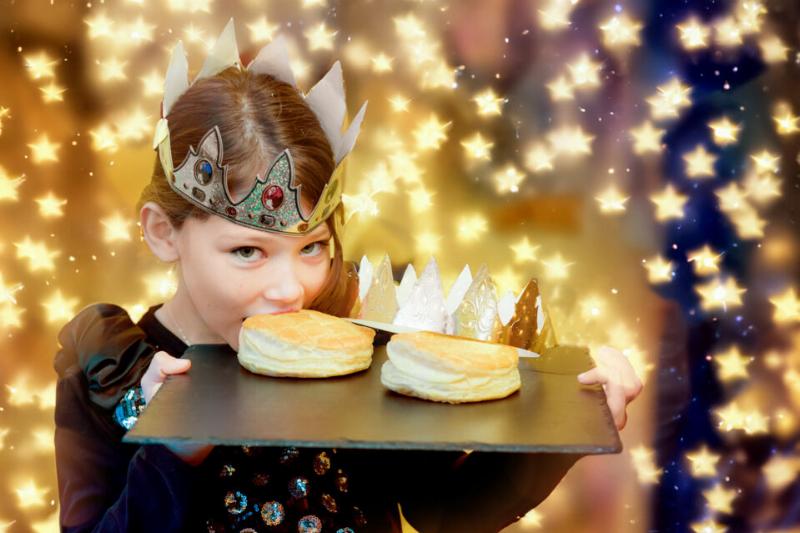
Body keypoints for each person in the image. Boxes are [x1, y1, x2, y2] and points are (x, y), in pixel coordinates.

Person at [53, 23, 642, 533]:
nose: (292, 290)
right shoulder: (111, 371)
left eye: (312, 248)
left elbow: (448, 511)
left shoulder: (358, 346)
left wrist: (573, 421)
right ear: (163, 233)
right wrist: (171, 453)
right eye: (247, 252)